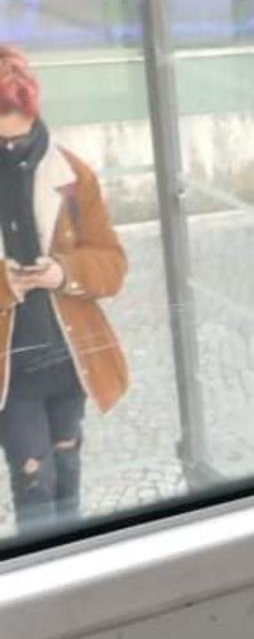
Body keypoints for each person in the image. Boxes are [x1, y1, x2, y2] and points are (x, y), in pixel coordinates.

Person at [0, 45, 128, 532]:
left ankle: (74, 578)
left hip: (71, 357)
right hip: (12, 372)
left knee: (69, 478)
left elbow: (113, 264)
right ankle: (44, 583)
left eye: (23, 137)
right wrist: (5, 283)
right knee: (34, 485)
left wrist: (63, 272)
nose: (14, 151)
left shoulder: (72, 176)